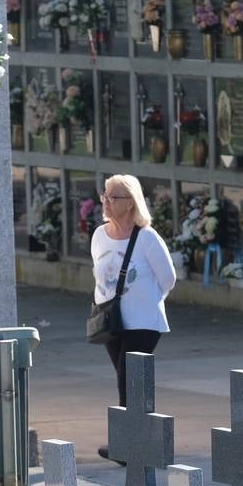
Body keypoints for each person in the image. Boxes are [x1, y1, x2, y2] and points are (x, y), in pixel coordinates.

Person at [91, 174, 176, 462]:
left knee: (129, 378)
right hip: (111, 320)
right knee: (128, 381)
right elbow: (99, 273)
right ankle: (138, 444)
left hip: (143, 322)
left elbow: (168, 279)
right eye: (104, 195)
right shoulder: (99, 235)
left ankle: (127, 446)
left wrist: (146, 301)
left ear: (130, 203)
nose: (106, 201)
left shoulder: (147, 237)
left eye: (113, 197)